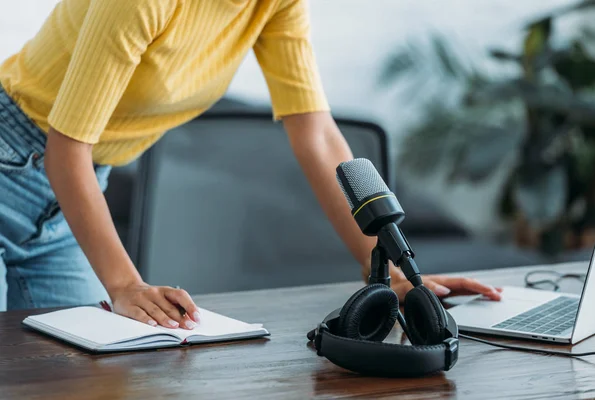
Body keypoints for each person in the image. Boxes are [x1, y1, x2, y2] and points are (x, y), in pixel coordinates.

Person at [0, 0, 502, 329]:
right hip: (19, 157)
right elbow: (68, 150)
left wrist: (388, 269)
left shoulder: (273, 4)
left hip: (68, 199)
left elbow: (317, 134)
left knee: (72, 374)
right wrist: (127, 286)